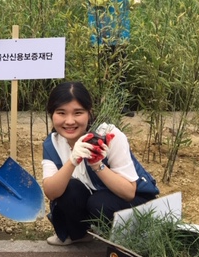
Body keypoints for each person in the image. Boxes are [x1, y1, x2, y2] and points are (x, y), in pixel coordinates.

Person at [41, 81, 159, 246]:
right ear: (51, 114)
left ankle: (133, 239)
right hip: (96, 197)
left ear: (89, 113)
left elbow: (129, 192)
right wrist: (72, 161)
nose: (69, 121)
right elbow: (51, 192)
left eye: (78, 113)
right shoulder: (52, 143)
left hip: (133, 200)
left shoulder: (109, 135)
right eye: (61, 113)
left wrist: (97, 164)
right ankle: (78, 234)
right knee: (69, 190)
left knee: (99, 203)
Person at [86, 0, 144, 117]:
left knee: (120, 73)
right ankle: (100, 106)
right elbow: (100, 0)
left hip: (120, 37)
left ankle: (120, 106)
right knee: (103, 74)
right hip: (101, 39)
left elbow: (132, 4)